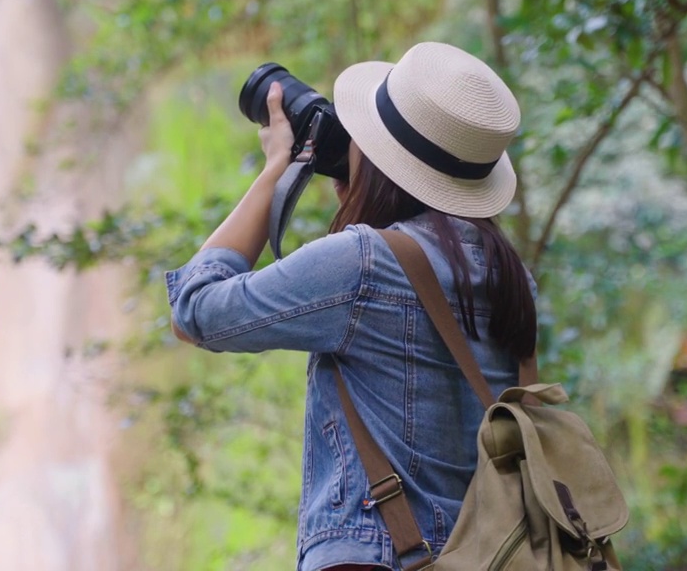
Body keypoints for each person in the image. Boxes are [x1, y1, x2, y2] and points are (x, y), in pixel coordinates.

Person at [165, 41, 537, 571]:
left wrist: (276, 168)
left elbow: (195, 310)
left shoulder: (362, 263)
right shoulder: (513, 277)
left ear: (385, 158)